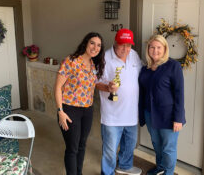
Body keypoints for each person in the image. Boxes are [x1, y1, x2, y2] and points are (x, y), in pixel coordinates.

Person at [54, 32, 105, 175]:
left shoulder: (93, 64)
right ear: (85, 43)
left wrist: (108, 87)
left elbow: (94, 85)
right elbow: (58, 87)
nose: (95, 47)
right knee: (73, 147)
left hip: (87, 110)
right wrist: (60, 111)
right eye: (92, 43)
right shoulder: (71, 61)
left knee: (82, 145)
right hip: (70, 110)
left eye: (99, 45)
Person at [96, 29, 142, 175]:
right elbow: (95, 82)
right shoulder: (104, 57)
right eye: (122, 45)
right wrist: (108, 87)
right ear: (115, 43)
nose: (125, 49)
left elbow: (141, 75)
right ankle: (107, 172)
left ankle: (125, 166)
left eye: (129, 45)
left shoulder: (134, 55)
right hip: (112, 115)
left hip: (131, 113)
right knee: (110, 149)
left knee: (129, 145)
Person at [138, 35, 185, 175]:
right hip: (149, 113)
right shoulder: (145, 68)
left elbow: (179, 94)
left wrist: (178, 118)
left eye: (159, 47)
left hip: (168, 116)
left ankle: (168, 173)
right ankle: (160, 168)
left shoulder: (173, 66)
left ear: (165, 49)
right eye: (152, 47)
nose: (155, 50)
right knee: (157, 145)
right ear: (148, 49)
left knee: (168, 148)